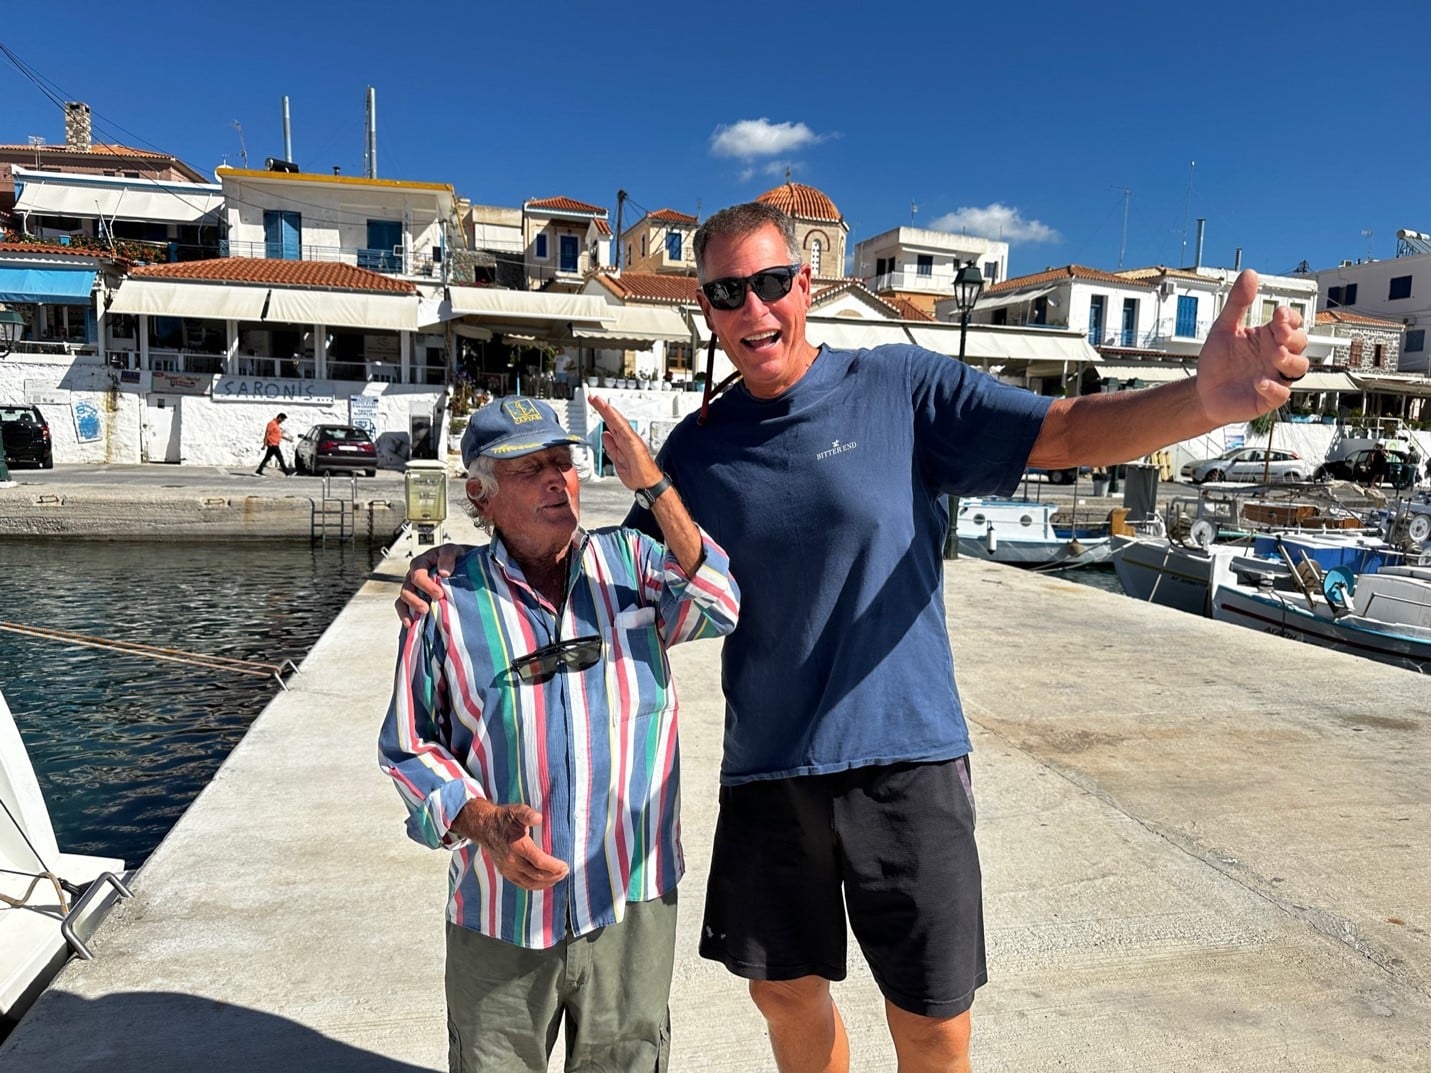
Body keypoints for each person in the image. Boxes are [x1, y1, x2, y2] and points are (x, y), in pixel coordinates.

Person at [398, 202, 1309, 1073]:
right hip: (769, 771)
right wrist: (459, 560)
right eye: (724, 293)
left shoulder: (899, 387)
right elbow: (600, 584)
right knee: (786, 1000)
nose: (752, 307)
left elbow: (1062, 433)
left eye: (770, 282)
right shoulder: (697, 453)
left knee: (932, 1019)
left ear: (805, 284)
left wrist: (1202, 399)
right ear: (707, 312)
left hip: (904, 758)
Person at [379, 395, 739, 1072]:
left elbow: (720, 600)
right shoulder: (444, 599)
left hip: (631, 897)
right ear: (479, 497)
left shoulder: (631, 563)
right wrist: (481, 819)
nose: (556, 479)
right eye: (529, 469)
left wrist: (654, 486)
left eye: (563, 463)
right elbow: (408, 744)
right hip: (501, 909)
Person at [255, 412, 292, 476]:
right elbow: (267, 433)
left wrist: (287, 439)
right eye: (282, 420)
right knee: (280, 458)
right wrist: (264, 444)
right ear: (279, 418)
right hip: (273, 444)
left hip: (274, 444)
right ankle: (287, 473)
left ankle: (259, 471)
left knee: (267, 458)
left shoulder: (276, 425)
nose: (282, 421)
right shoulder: (272, 424)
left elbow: (279, 435)